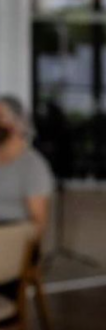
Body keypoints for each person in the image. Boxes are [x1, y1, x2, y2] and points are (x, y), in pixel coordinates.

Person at [0, 94, 54, 296]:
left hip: (14, 246)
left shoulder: (33, 166)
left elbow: (38, 223)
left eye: (1, 117)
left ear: (16, 123)